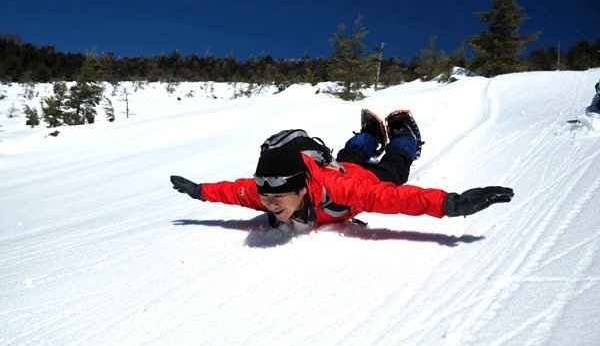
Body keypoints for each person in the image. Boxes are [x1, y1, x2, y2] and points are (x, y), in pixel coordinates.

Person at [170, 109, 514, 228]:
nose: (269, 204)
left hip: (367, 178)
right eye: (266, 197)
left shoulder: (341, 192)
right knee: (351, 151)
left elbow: (394, 199)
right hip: (345, 165)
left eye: (277, 198)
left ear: (302, 188)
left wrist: (448, 203)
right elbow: (232, 190)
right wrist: (199, 191)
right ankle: (368, 134)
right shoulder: (265, 192)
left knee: (396, 164)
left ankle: (404, 137)